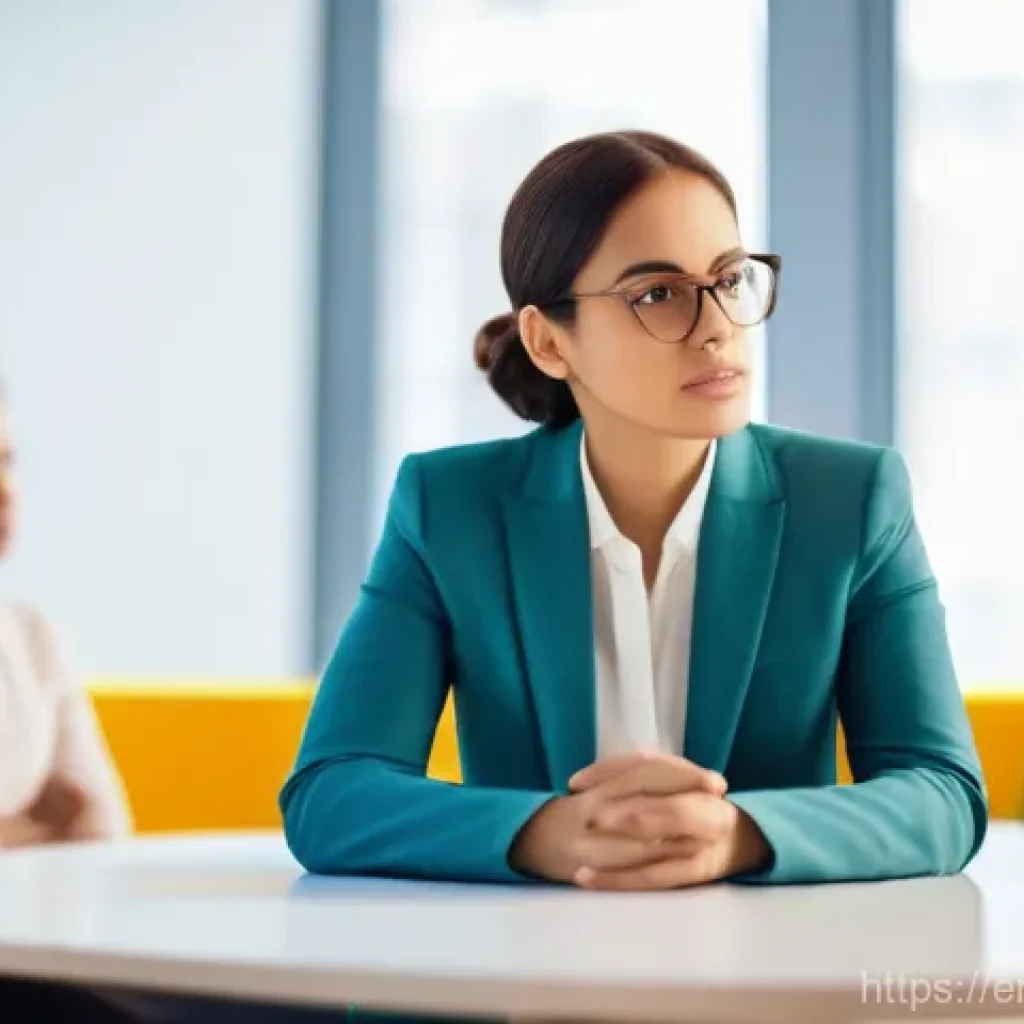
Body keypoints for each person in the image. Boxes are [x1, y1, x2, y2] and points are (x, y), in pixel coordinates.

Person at [280, 130, 988, 891]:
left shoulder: (851, 499)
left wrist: (739, 835)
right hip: (523, 953)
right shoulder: (449, 507)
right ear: (548, 342)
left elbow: (943, 793)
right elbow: (331, 794)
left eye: (728, 279)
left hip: (769, 956)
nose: (716, 326)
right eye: (657, 294)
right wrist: (543, 833)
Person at [0, 390, 130, 850]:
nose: (5, 491)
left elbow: (98, 825)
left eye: (7, 461)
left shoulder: (32, 637)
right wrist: (38, 823)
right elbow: (66, 823)